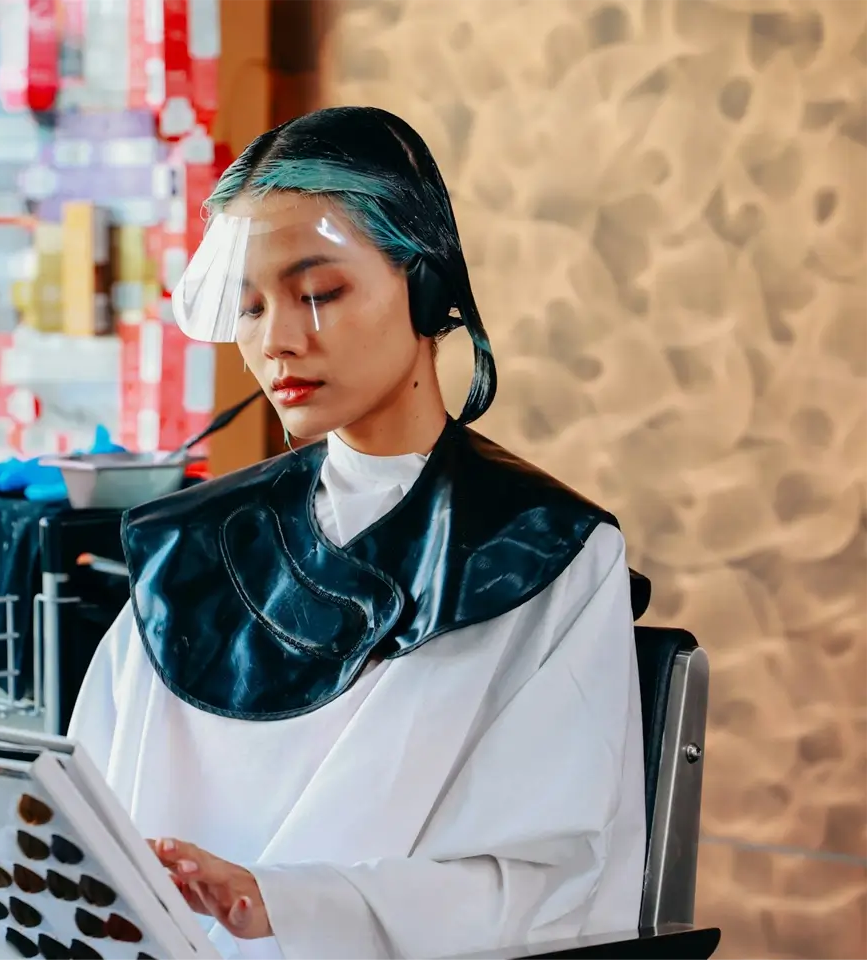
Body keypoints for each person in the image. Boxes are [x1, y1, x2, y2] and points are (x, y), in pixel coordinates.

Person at [66, 105, 645, 960]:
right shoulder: (185, 551)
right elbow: (88, 820)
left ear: (427, 287)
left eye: (318, 292)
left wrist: (286, 904)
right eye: (253, 307)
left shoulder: (543, 550)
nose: (278, 343)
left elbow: (545, 885)